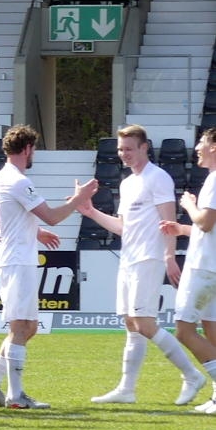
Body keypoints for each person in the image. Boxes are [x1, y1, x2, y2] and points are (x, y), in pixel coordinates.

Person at [81, 125, 206, 406]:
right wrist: (90, 211)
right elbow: (123, 227)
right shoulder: (127, 183)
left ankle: (192, 375)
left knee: (144, 323)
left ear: (144, 147)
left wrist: (169, 257)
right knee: (131, 323)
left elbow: (168, 221)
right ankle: (127, 389)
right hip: (129, 258)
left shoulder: (157, 178)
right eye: (120, 149)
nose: (123, 154)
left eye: (129, 148)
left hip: (149, 258)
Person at [0, 124, 95, 410]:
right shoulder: (17, 181)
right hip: (17, 259)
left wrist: (35, 231)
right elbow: (52, 216)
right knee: (22, 326)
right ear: (27, 148)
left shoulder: (3, 177)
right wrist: (79, 200)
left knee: (28, 327)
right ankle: (15, 396)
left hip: (17, 256)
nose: (34, 155)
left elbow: (12, 214)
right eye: (34, 149)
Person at [159, 127, 216, 413]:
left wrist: (189, 205)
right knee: (211, 330)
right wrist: (182, 229)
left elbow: (205, 222)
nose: (197, 148)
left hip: (203, 268)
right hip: (211, 267)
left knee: (183, 330)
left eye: (202, 143)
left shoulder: (214, 179)